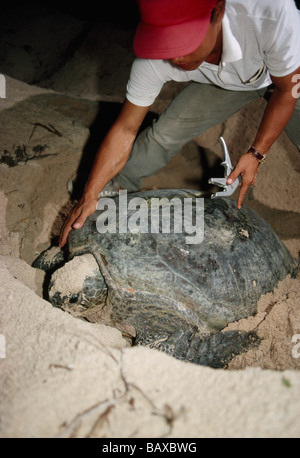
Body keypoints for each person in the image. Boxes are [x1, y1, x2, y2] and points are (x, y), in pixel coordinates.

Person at [59, 0, 300, 247]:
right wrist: (90, 193)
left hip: (287, 75)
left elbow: (286, 89)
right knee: (166, 132)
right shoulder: (155, 59)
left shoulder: (269, 13)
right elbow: (125, 129)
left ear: (217, 11)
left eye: (184, 40)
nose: (175, 55)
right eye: (165, 41)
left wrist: (256, 152)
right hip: (229, 83)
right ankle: (120, 182)